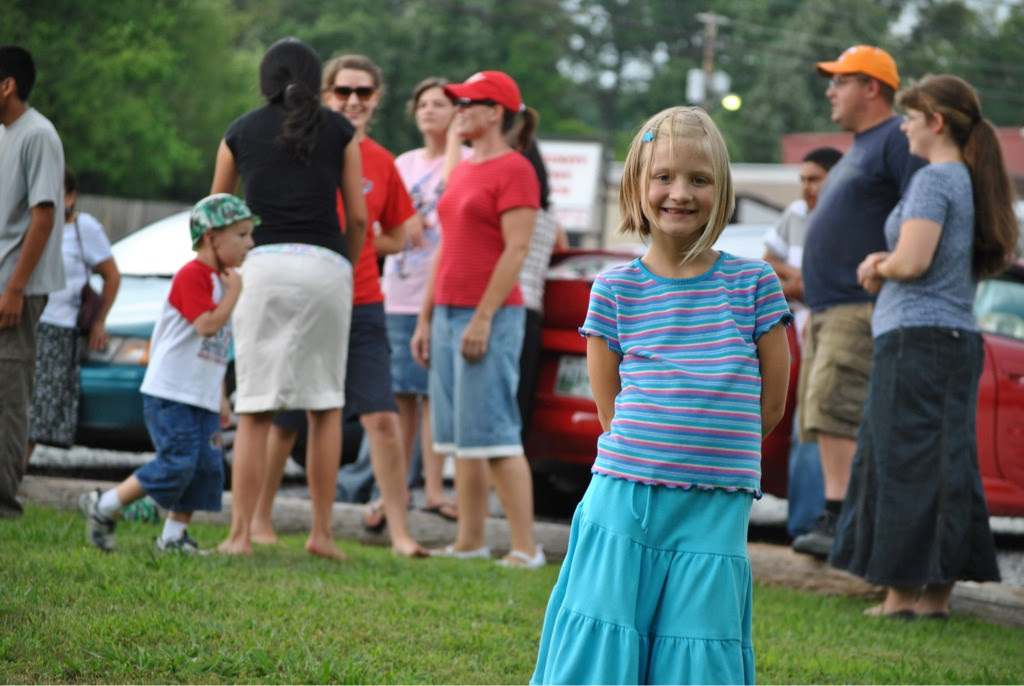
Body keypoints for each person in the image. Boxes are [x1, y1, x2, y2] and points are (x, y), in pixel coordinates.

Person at [531, 106, 791, 684]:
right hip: (626, 495)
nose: (680, 193)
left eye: (699, 179)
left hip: (716, 503)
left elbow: (771, 406)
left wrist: (709, 452)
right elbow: (609, 409)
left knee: (697, 639)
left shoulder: (754, 284)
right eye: (664, 177)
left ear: (721, 190)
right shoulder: (614, 290)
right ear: (636, 185)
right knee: (607, 626)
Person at [830, 74, 1016, 618]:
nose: (904, 127)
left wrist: (876, 264)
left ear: (936, 122)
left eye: (911, 117)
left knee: (902, 462)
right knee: (947, 466)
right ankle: (935, 597)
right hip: (954, 340)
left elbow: (912, 261)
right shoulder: (969, 180)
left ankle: (898, 597)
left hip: (916, 340)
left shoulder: (934, 180)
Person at [252, 54, 428, 558]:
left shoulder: (382, 161)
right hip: (305, 298)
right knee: (285, 418)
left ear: (377, 99)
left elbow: (398, 233)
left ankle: (399, 533)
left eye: (364, 92)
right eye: (343, 91)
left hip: (363, 300)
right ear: (324, 94)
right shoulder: (303, 146)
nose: (353, 101)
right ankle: (259, 521)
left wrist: (356, 250)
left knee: (382, 418)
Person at [210, 38, 368, 558]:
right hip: (326, 267)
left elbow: (216, 212)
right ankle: (322, 534)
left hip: (263, 267)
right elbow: (358, 217)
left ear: (266, 79)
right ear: (316, 78)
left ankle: (239, 536)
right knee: (325, 405)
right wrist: (341, 263)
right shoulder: (341, 130)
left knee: (255, 408)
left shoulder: (239, 131)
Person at [792, 45, 926, 558]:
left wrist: (890, 268)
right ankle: (839, 517)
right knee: (823, 412)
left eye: (841, 81)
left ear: (872, 87)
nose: (830, 91)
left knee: (836, 407)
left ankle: (841, 522)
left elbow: (920, 212)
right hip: (830, 307)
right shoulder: (860, 147)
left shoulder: (896, 138)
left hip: (858, 305)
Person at [410, 70, 543, 567]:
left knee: (495, 433)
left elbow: (517, 250)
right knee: (460, 439)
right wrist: (425, 318)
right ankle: (470, 542)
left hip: (491, 315)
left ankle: (526, 548)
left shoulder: (516, 170)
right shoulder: (463, 169)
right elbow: (446, 247)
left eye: (468, 103)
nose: (458, 111)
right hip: (447, 314)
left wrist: (484, 317)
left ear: (495, 112)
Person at [78, 193, 254, 552]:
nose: (250, 243)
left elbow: (217, 350)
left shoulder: (223, 281)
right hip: (171, 393)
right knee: (177, 462)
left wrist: (220, 397)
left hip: (202, 396)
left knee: (206, 468)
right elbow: (206, 326)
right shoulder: (193, 276)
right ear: (211, 238)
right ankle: (104, 505)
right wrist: (234, 295)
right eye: (241, 235)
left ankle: (173, 537)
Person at [380, 76, 467, 521]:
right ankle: (396, 489)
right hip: (399, 291)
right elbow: (383, 215)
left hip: (441, 293)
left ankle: (435, 490)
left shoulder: (465, 159)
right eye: (423, 104)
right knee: (400, 396)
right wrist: (404, 220)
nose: (429, 110)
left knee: (434, 395)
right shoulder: (404, 162)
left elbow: (453, 195)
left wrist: (454, 140)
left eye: (440, 104)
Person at [760, 146, 842, 538]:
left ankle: (814, 524)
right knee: (802, 426)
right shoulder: (795, 214)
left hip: (830, 333)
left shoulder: (846, 217)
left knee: (815, 425)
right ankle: (806, 525)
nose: (806, 187)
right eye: (803, 179)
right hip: (797, 334)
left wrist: (800, 285)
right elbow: (767, 263)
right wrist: (799, 279)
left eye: (814, 179)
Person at [0, 45, 65, 518]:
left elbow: (44, 214)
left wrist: (16, 288)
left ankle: (3, 499)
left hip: (14, 288)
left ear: (8, 86)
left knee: (8, 393)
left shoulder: (37, 134)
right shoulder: (6, 134)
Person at [26, 166, 121, 462]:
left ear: (70, 197)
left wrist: (100, 320)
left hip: (58, 327)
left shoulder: (84, 228)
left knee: (36, 409)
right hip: (25, 319)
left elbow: (112, 276)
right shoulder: (26, 223)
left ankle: (14, 474)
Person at [515, 137, 565, 438]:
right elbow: (562, 254)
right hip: (533, 310)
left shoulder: (515, 209)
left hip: (504, 309)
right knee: (519, 407)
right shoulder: (549, 215)